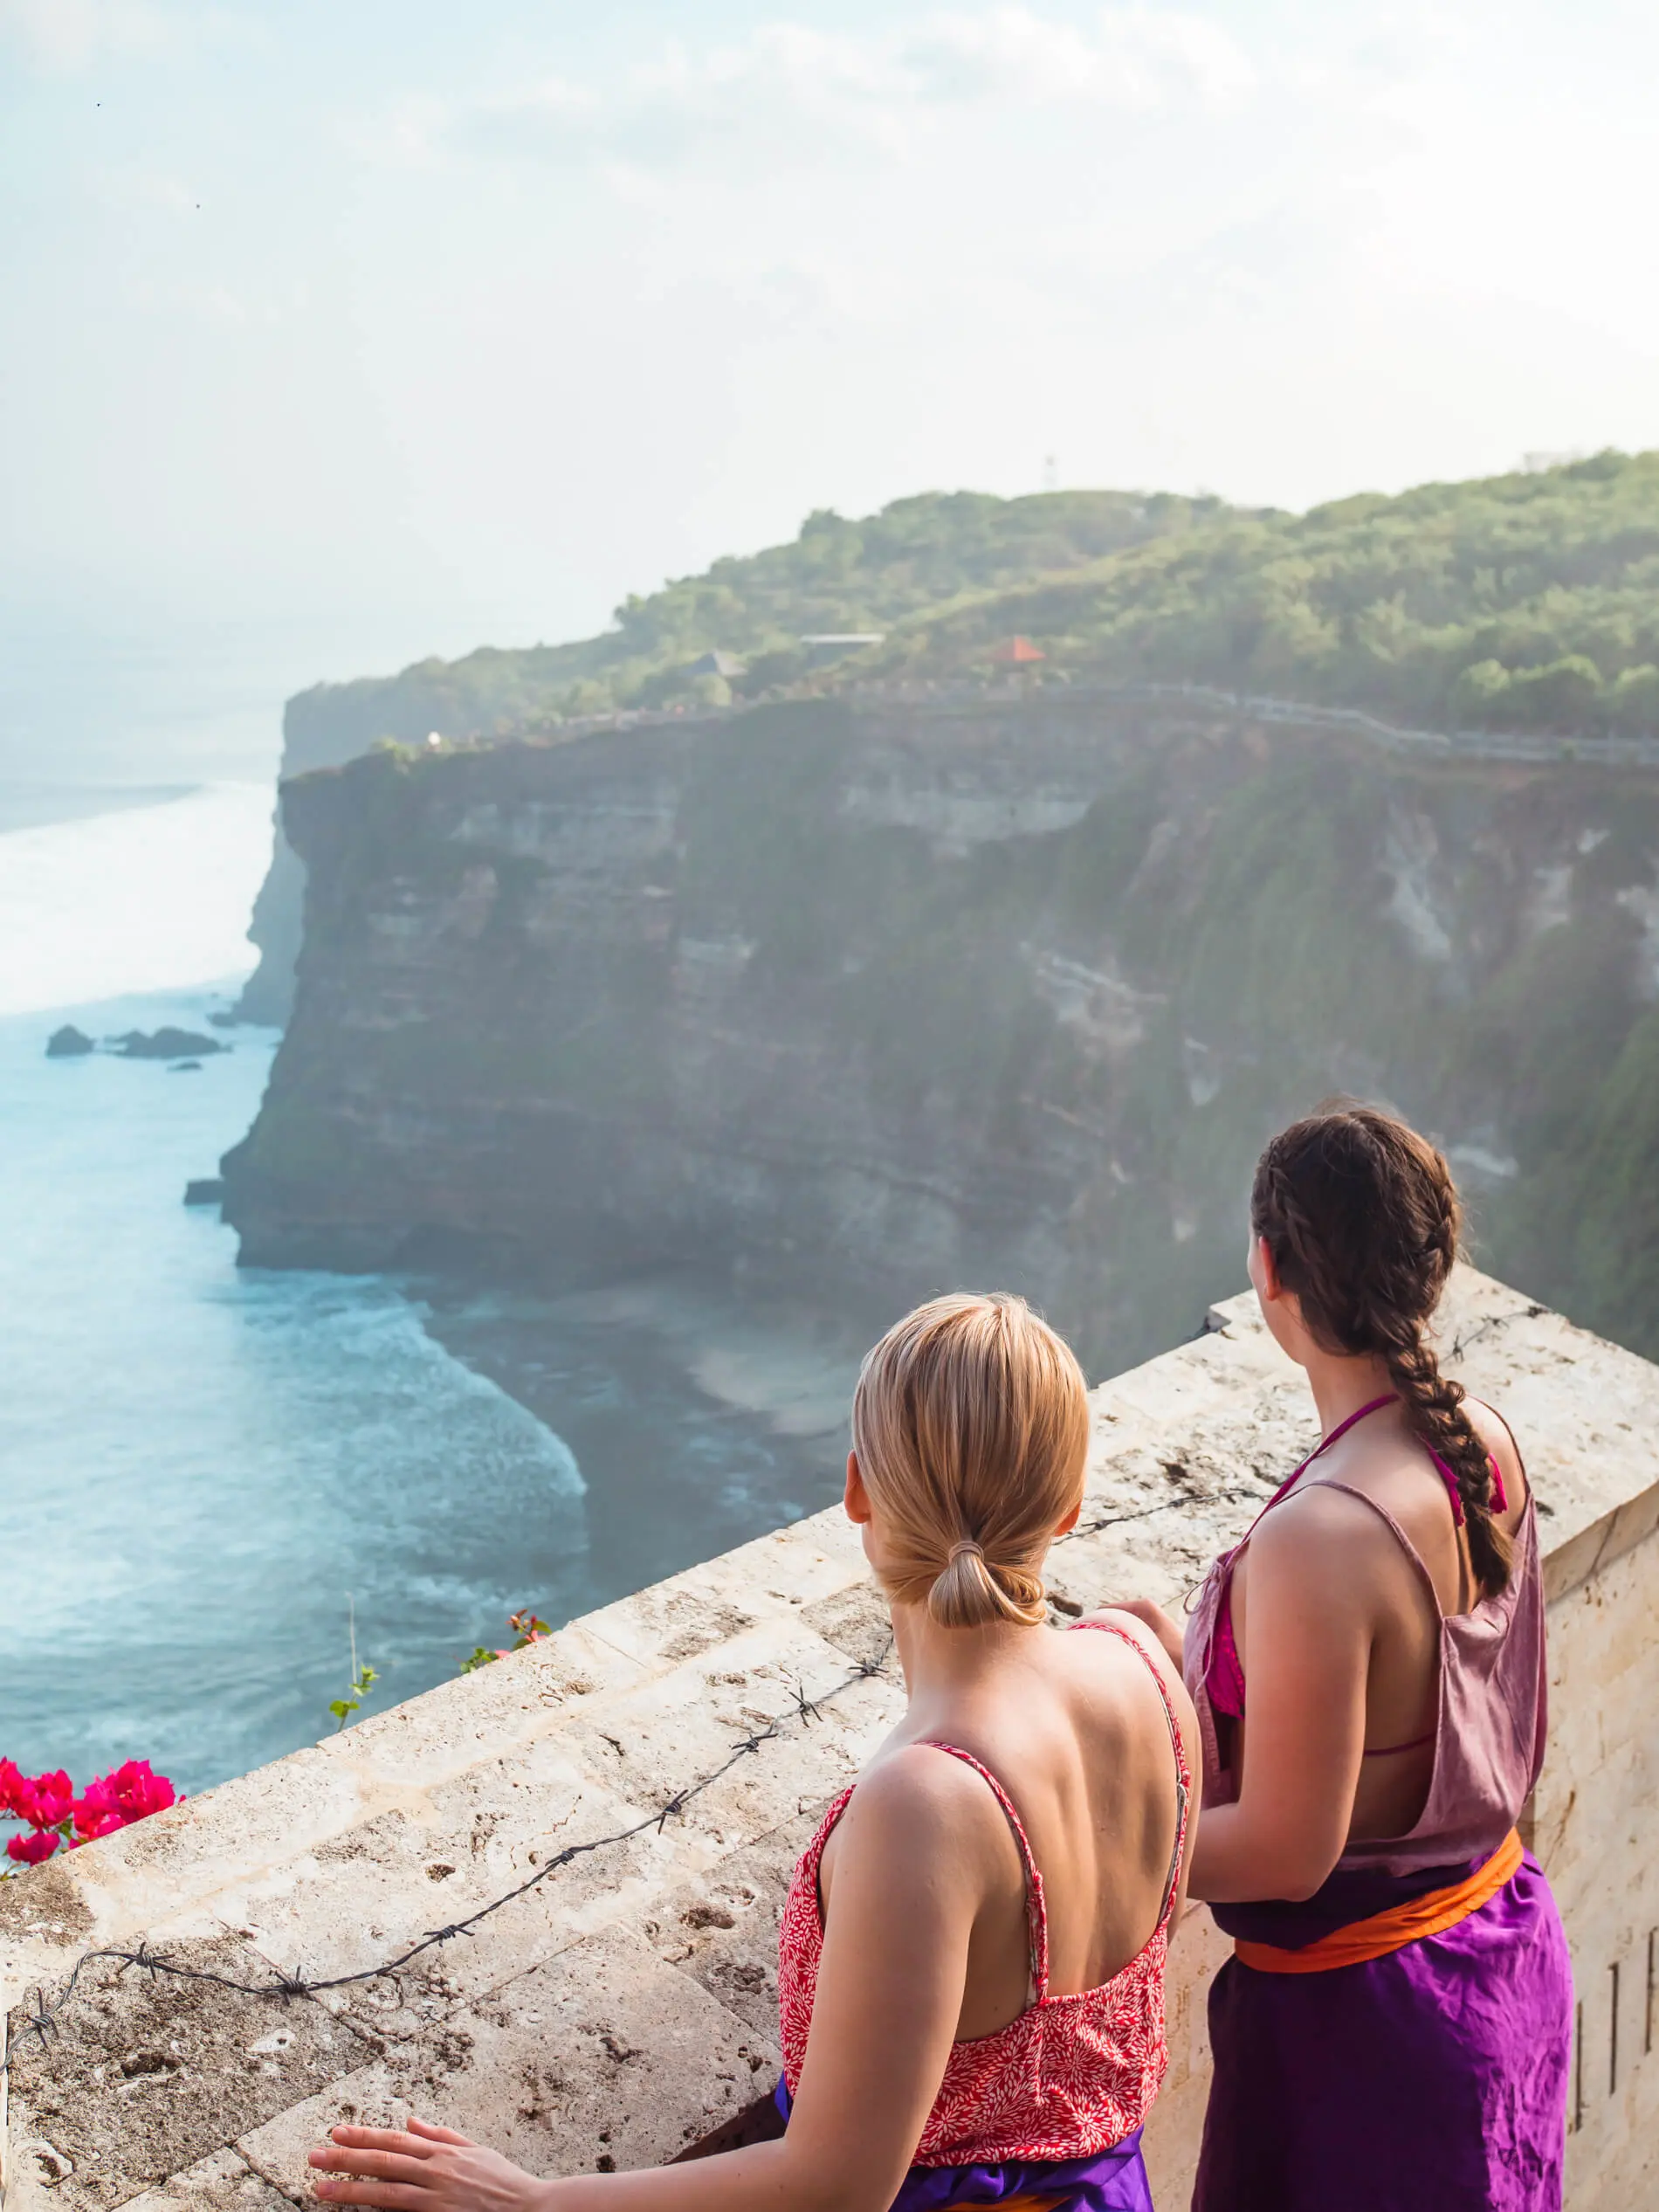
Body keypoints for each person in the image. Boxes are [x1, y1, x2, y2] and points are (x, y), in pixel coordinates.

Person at [309, 1292, 1197, 2212]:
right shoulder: (1147, 1671)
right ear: (1069, 1507)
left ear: (856, 1488)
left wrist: (535, 2202)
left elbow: (838, 2179)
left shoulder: (925, 1802)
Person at [1122, 1104, 1572, 2211]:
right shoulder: (1483, 1440)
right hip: (1495, 1953)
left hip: (1367, 2040)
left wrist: (1101, 1848)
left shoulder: (1319, 1538)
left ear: (1267, 1267)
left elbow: (1285, 1850)